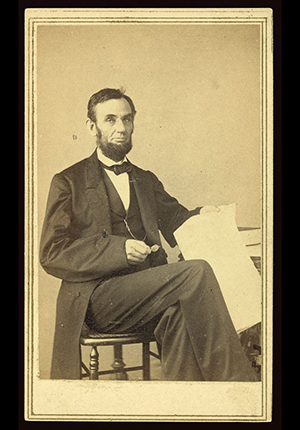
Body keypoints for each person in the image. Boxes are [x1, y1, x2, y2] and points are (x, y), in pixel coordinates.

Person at [40, 88, 259, 381]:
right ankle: (237, 384)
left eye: (127, 119)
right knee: (195, 272)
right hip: (97, 297)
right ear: (92, 126)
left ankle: (186, 405)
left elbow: (177, 219)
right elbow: (52, 253)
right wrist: (117, 250)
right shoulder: (68, 181)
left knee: (180, 316)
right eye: (110, 120)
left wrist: (202, 215)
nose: (121, 128)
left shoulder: (145, 179)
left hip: (147, 295)